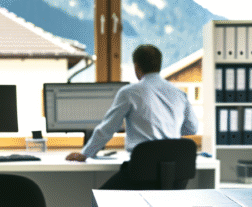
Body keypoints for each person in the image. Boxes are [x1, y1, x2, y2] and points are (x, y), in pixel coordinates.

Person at [66, 44, 198, 189]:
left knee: (100, 201)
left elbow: (108, 128)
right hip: (174, 170)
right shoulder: (179, 94)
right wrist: (169, 132)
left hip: (142, 171)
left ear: (137, 67)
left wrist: (85, 153)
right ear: (159, 65)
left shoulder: (130, 92)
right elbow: (192, 128)